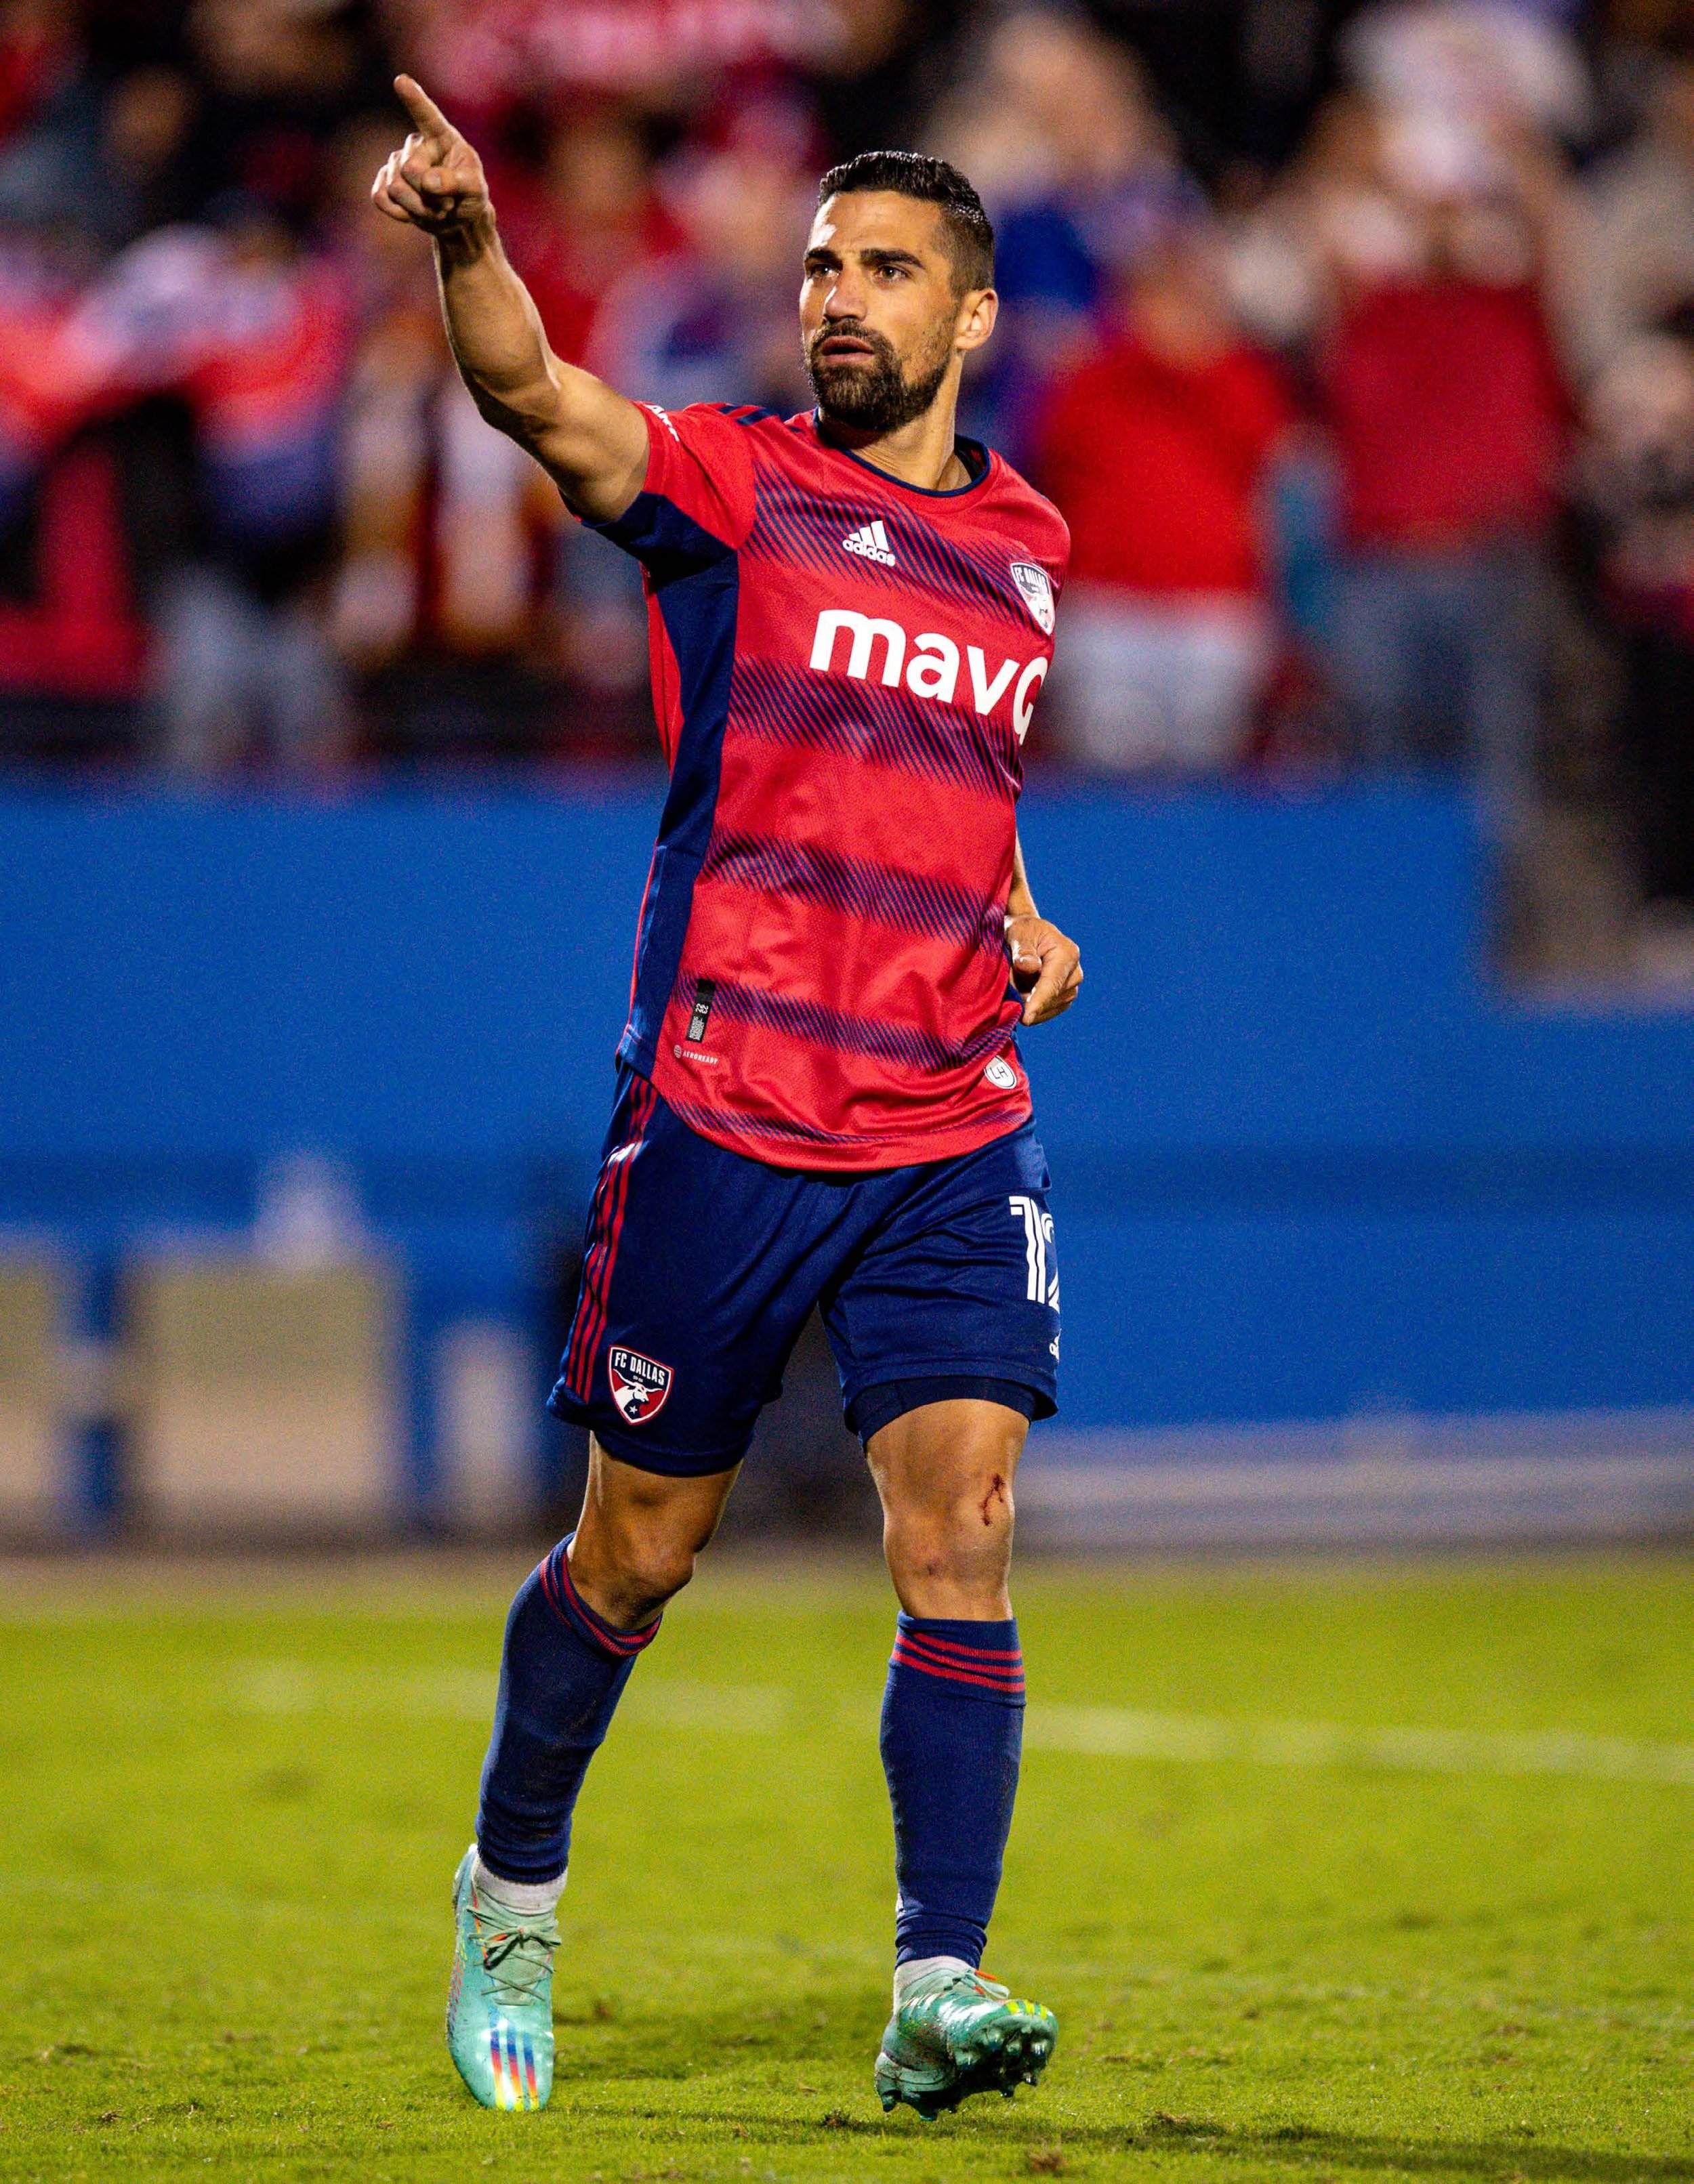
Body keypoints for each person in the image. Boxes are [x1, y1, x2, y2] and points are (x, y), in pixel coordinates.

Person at [372, 75, 1082, 2120]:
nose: (836, 299)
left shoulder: (1026, 544)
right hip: (731, 1109)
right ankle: (510, 1891)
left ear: (968, 322)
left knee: (958, 1531)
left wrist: (1025, 908)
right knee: (634, 1561)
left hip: (948, 1113)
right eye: (819, 268)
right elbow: (535, 400)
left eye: (883, 272)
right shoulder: (729, 484)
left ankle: (936, 1983)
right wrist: (468, 247)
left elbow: (956, 775)